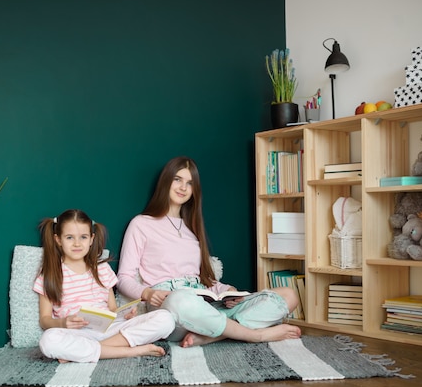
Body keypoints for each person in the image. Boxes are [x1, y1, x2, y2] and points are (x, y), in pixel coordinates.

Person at [117, 156, 301, 347]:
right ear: (166, 181)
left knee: (288, 295)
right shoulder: (141, 224)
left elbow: (203, 280)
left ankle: (211, 335)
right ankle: (256, 335)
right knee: (180, 299)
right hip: (172, 307)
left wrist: (228, 291)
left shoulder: (191, 229)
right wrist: (147, 293)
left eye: (190, 183)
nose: (183, 187)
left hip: (206, 305)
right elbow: (124, 277)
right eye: (177, 179)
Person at [34, 209, 175, 363]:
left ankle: (84, 352)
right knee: (48, 340)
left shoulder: (102, 269)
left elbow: (113, 310)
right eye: (69, 237)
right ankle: (129, 351)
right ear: (58, 240)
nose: (77, 243)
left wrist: (125, 314)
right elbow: (45, 320)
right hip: (76, 333)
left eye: (83, 237)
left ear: (91, 239)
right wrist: (63, 322)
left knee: (166, 319)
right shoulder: (50, 273)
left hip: (111, 330)